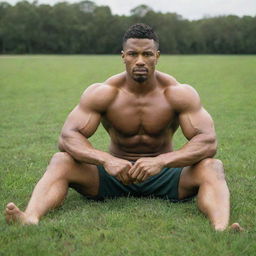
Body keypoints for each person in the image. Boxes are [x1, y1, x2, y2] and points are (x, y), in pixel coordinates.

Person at [5, 23, 242, 231]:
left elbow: (208, 141)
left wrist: (161, 161)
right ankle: (31, 218)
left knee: (213, 166)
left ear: (157, 56)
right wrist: (105, 160)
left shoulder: (178, 94)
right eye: (133, 54)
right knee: (61, 160)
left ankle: (221, 228)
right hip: (114, 175)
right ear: (123, 56)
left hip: (165, 175)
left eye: (147, 54)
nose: (140, 60)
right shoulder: (103, 93)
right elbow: (68, 137)